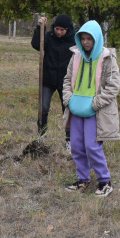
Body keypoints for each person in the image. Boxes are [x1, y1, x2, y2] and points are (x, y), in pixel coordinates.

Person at [61, 20, 120, 196]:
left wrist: (95, 103)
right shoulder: (76, 56)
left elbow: (113, 86)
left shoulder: (108, 58)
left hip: (96, 111)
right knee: (77, 146)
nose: (86, 42)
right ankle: (83, 179)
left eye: (90, 39)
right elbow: (67, 80)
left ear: (97, 39)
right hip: (76, 109)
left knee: (92, 146)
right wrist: (68, 99)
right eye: (83, 38)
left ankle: (105, 181)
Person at [31, 14, 76, 146]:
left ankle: (70, 140)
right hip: (48, 80)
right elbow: (36, 45)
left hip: (66, 82)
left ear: (67, 29)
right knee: (43, 108)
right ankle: (41, 136)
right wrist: (40, 28)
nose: (59, 32)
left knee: (68, 110)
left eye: (62, 30)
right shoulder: (49, 37)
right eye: (57, 29)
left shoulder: (74, 41)